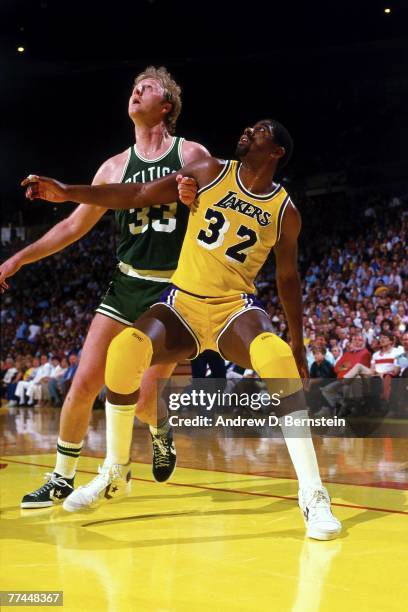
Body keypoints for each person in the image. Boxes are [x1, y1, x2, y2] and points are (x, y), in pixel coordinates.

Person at [24, 118, 342, 540]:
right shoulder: (209, 171)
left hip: (233, 308)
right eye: (247, 127)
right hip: (183, 303)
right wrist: (69, 192)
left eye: (260, 130)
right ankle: (115, 472)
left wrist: (299, 343)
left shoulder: (286, 211)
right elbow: (136, 194)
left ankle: (314, 495)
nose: (248, 130)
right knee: (123, 350)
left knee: (276, 356)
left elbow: (288, 279)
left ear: (277, 151)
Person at [0, 65, 209, 508]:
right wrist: (19, 258)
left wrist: (198, 202)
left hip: (173, 292)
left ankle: (159, 430)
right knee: (83, 382)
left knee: (143, 399)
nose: (136, 92)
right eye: (134, 88)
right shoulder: (114, 166)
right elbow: (75, 226)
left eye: (147, 88)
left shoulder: (191, 153)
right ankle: (62, 476)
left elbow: (217, 213)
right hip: (125, 285)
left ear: (166, 106)